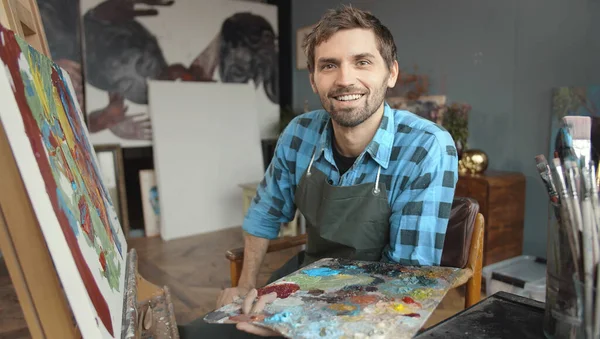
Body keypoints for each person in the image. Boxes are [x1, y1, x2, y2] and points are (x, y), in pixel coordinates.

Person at [178, 5, 458, 338]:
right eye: (329, 65)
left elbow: (405, 279)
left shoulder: (425, 147)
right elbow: (265, 213)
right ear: (313, 79)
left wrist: (296, 325)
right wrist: (246, 284)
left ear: (391, 73)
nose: (344, 79)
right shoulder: (299, 134)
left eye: (362, 62)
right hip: (308, 276)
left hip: (377, 304)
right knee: (197, 334)